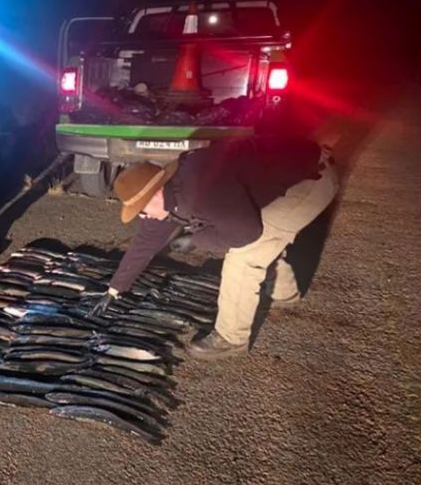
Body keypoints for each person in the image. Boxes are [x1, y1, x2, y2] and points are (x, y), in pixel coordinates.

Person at [92, 135, 339, 360]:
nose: (143, 217)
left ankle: (231, 338)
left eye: (142, 211)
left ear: (155, 194)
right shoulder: (168, 195)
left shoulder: (201, 190)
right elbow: (144, 244)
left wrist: (196, 240)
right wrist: (115, 288)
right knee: (259, 239)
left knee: (244, 257)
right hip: (280, 181)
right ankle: (284, 294)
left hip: (309, 183)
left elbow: (246, 233)